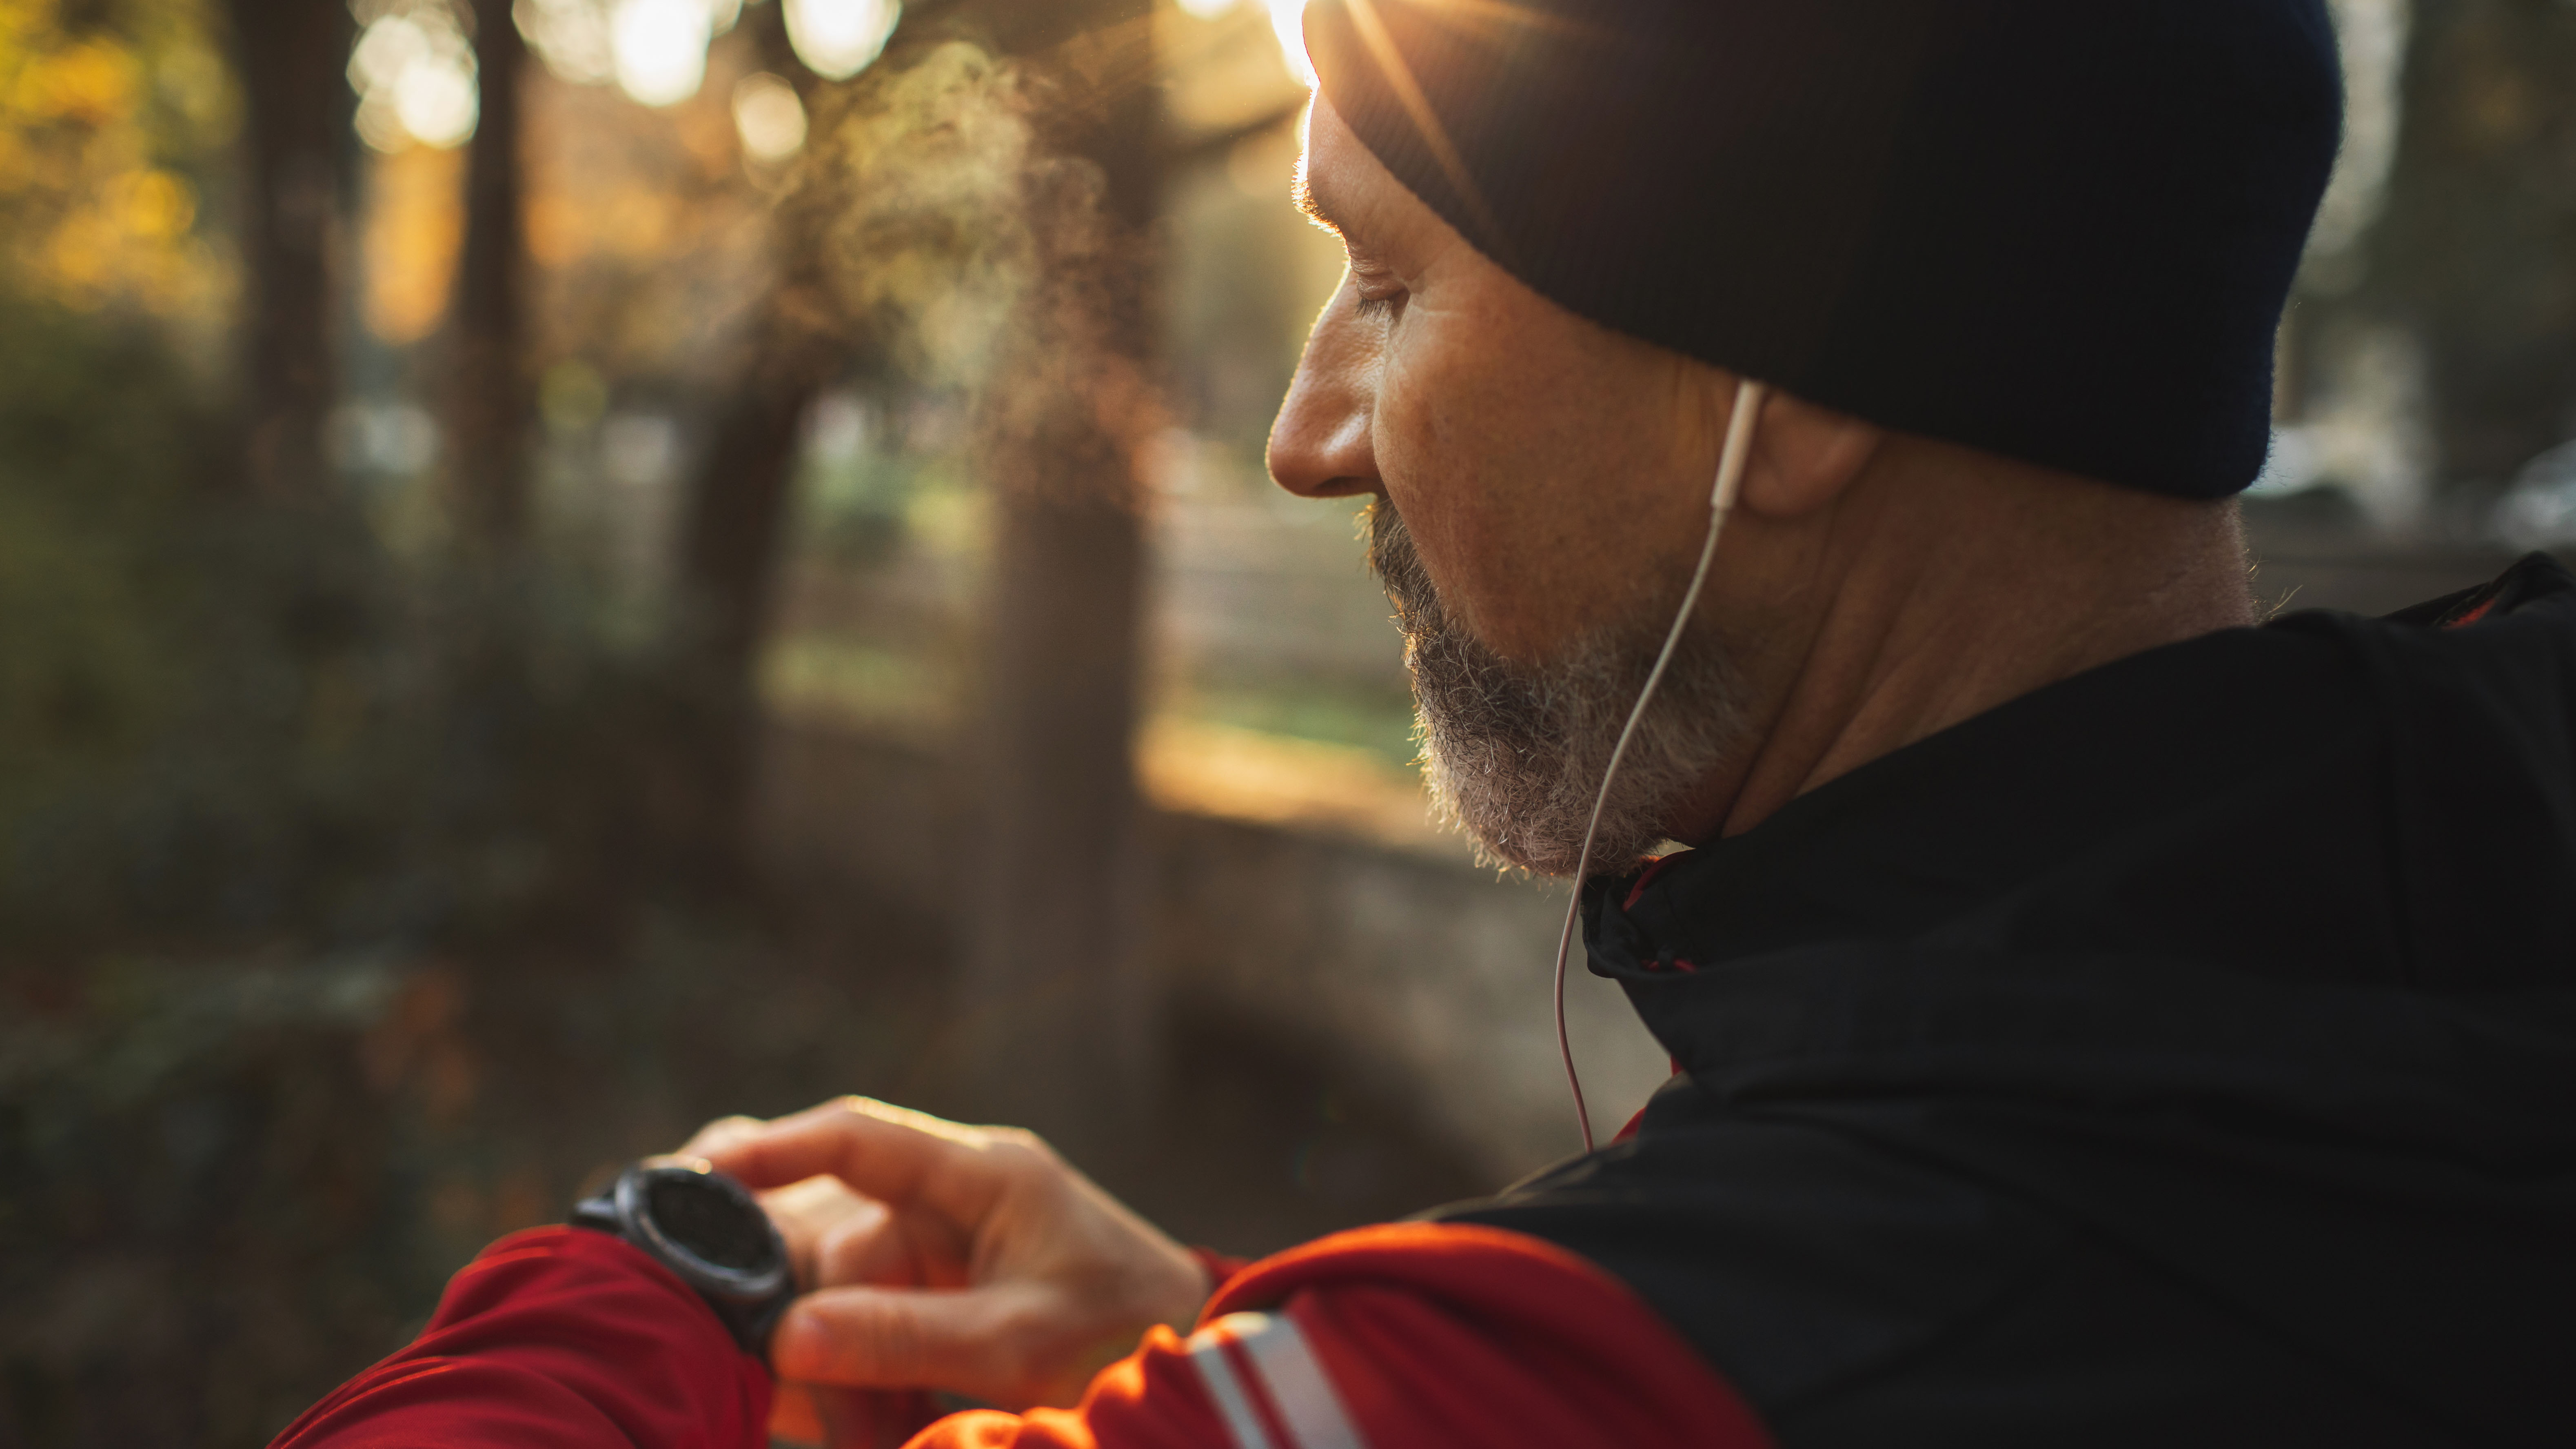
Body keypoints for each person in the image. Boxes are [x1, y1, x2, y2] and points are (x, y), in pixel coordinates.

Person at [273, 1, 2576, 1446]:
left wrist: (680, 1260)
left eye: (1386, 284)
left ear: (1784, 400)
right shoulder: (2453, 908)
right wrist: (1239, 1336)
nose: (1307, 429)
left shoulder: (1687, 1347)